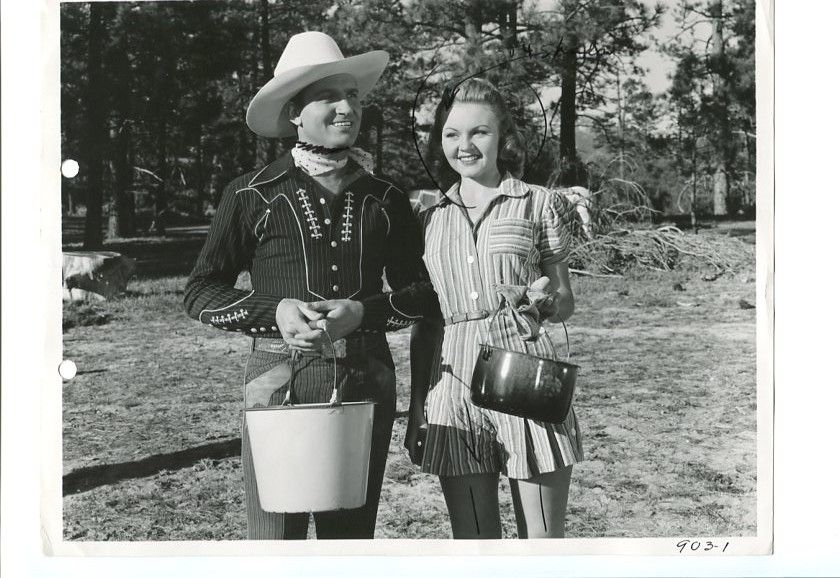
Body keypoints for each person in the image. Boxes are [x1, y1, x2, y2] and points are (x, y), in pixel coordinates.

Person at [184, 31, 438, 540]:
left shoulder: (385, 199)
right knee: (275, 540)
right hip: (276, 381)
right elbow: (200, 291)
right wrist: (274, 310)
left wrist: (365, 314)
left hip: (367, 383)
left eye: (353, 96)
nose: (347, 108)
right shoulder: (251, 194)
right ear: (294, 112)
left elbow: (422, 298)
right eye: (328, 97)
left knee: (350, 540)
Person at [405, 78, 585, 539]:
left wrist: (546, 302)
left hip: (523, 376)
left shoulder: (538, 202)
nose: (463, 146)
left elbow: (564, 300)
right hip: (452, 387)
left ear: (502, 138)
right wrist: (418, 408)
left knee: (542, 544)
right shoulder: (427, 216)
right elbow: (427, 323)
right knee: (475, 543)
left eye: (478, 133)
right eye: (451, 134)